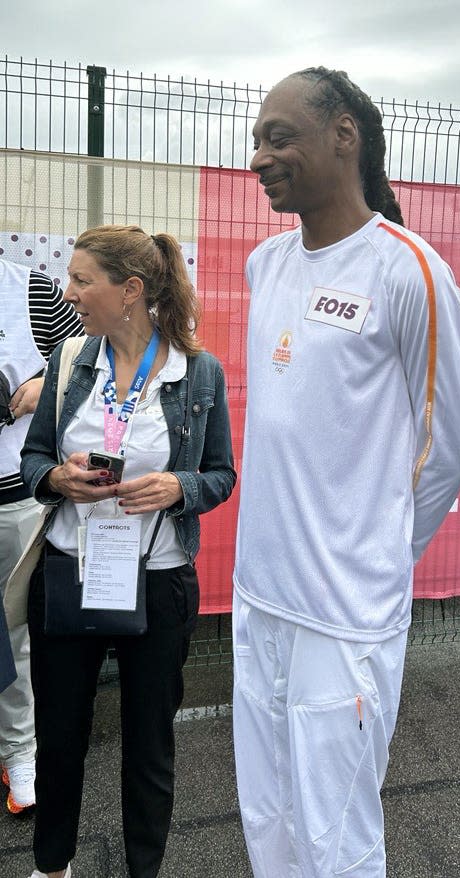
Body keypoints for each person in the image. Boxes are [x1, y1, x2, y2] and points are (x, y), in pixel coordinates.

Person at [232, 66, 460, 877]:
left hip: (345, 614)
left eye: (278, 136)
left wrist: (378, 558)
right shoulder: (265, 264)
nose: (259, 156)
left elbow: (448, 453)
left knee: (335, 835)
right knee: (267, 815)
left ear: (345, 136)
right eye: (256, 139)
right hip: (260, 595)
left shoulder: (408, 270)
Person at [20, 225, 236, 878]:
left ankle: (145, 868)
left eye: (84, 280)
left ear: (130, 290)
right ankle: (51, 866)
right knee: (60, 740)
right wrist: (56, 477)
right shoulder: (67, 364)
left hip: (158, 580)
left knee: (149, 746)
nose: (71, 292)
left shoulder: (197, 373)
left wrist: (180, 486)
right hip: (70, 574)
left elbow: (222, 474)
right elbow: (35, 455)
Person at [0, 259, 84, 815]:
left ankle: (20, 754)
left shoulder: (29, 287)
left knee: (13, 634)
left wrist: (39, 381)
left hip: (16, 498)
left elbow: (90, 359)